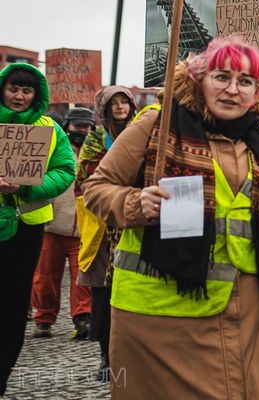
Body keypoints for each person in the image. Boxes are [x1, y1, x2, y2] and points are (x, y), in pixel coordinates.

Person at [83, 36, 259, 399]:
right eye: (221, 76)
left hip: (247, 308)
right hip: (164, 310)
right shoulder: (157, 123)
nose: (233, 89)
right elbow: (97, 188)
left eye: (245, 81)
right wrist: (136, 204)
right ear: (199, 79)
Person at [0, 63, 77, 396]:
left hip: (26, 229)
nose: (19, 96)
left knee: (14, 306)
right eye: (13, 89)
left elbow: (64, 171)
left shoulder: (50, 128)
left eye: (26, 90)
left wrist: (25, 186)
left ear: (36, 94)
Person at [76, 85, 139, 381]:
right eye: (114, 103)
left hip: (134, 222)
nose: (120, 107)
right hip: (104, 229)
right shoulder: (95, 139)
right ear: (104, 108)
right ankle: (106, 355)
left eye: (124, 101)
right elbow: (85, 177)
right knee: (104, 293)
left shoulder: (142, 131)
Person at [32, 107, 96, 340]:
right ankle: (44, 318)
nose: (82, 130)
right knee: (46, 276)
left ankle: (83, 316)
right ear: (68, 126)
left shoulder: (96, 150)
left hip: (83, 227)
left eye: (86, 126)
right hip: (53, 222)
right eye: (78, 126)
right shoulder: (58, 149)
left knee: (82, 277)